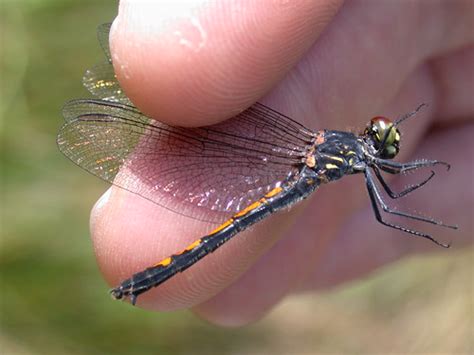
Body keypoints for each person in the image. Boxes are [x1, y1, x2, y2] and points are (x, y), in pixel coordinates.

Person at [91, 0, 473, 326]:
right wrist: (430, 206)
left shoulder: (355, 151)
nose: (387, 139)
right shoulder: (353, 153)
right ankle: (143, 281)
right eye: (385, 135)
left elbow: (392, 188)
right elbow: (387, 204)